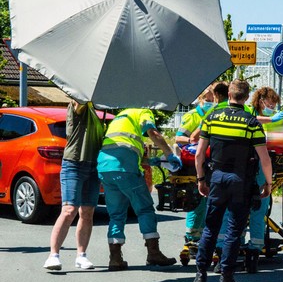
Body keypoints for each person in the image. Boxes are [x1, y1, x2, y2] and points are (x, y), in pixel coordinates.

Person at [192, 80, 273, 282]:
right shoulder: (251, 122)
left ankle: (200, 276)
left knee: (210, 228)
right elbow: (264, 159)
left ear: (228, 94)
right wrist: (268, 183)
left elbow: (199, 155)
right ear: (247, 98)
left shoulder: (211, 118)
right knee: (234, 231)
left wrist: (201, 180)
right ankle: (226, 279)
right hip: (241, 180)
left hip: (216, 178)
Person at [215, 85, 283, 274]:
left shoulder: (230, 115)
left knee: (251, 213)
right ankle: (231, 253)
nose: (273, 107)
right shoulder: (248, 113)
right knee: (239, 213)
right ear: (260, 100)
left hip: (239, 170)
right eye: (271, 103)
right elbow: (255, 125)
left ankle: (247, 254)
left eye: (275, 104)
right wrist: (267, 182)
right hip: (253, 169)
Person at [97, 108, 181, 271]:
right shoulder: (144, 112)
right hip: (124, 167)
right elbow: (152, 133)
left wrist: (153, 161)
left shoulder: (122, 117)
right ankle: (153, 253)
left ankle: (115, 258)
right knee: (144, 209)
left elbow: (123, 148)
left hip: (105, 167)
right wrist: (169, 154)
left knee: (116, 214)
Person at [43, 101, 105, 271]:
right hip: (74, 164)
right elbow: (80, 101)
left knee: (87, 212)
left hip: (93, 165)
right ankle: (53, 256)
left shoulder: (95, 111)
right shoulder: (78, 104)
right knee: (69, 210)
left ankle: (81, 256)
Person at [175, 85, 216, 254]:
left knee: (209, 203)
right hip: (194, 163)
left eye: (213, 100)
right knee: (197, 202)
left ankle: (204, 237)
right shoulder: (192, 116)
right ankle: (191, 238)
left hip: (210, 162)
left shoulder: (215, 113)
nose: (210, 103)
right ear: (200, 99)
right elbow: (179, 137)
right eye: (207, 100)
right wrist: (195, 142)